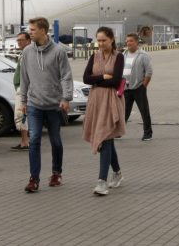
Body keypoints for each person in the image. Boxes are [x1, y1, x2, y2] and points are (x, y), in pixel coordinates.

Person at [17, 16, 73, 193]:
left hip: (54, 105)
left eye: (32, 30)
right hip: (34, 104)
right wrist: (24, 101)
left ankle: (56, 173)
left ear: (43, 30)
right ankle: (34, 179)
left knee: (56, 141)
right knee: (34, 140)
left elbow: (66, 76)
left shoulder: (58, 52)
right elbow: (24, 78)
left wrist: (66, 98)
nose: (29, 33)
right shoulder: (27, 52)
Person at [82, 26, 126, 195]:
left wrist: (97, 81)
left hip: (111, 101)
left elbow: (115, 80)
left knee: (105, 137)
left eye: (104, 40)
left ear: (112, 39)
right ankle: (117, 173)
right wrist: (102, 77)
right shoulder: (94, 56)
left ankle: (102, 182)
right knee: (106, 137)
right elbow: (86, 78)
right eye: (98, 40)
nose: (100, 43)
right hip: (96, 101)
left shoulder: (118, 57)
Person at [122, 33, 153, 141]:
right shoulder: (124, 54)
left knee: (144, 111)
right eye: (127, 41)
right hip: (126, 88)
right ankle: (119, 131)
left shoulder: (143, 55)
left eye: (130, 41)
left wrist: (143, 86)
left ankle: (148, 133)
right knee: (124, 111)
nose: (128, 43)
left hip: (139, 88)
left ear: (136, 42)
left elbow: (149, 72)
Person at [11, 31, 32, 150]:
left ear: (28, 41)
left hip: (23, 89)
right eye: (17, 40)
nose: (19, 42)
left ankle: (25, 142)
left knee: (21, 115)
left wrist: (23, 90)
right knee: (22, 115)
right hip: (20, 88)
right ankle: (24, 141)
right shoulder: (23, 53)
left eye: (21, 40)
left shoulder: (28, 54)